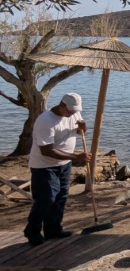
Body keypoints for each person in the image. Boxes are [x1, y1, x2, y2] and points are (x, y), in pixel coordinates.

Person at [24, 93, 91, 247]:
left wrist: (83, 128)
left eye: (75, 111)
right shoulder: (45, 121)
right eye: (70, 111)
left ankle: (53, 229)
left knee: (61, 196)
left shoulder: (74, 113)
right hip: (44, 166)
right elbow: (47, 150)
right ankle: (32, 230)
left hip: (64, 164)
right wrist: (76, 157)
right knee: (46, 198)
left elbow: (79, 132)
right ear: (61, 105)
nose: (73, 114)